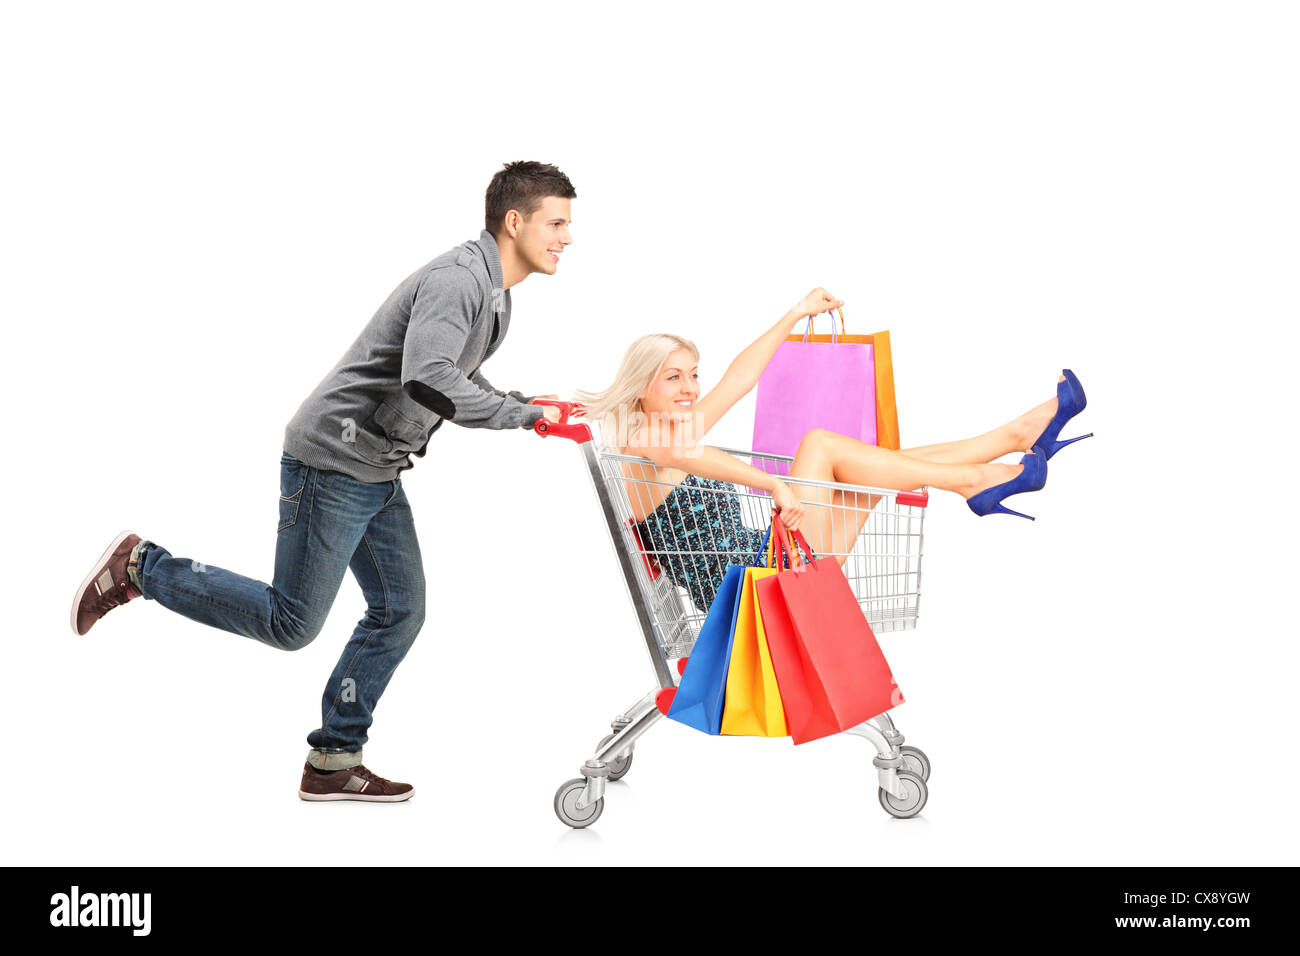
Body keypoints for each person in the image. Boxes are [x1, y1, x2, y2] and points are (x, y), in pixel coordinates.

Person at [70, 161, 578, 801]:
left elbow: (451, 376)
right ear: (515, 221)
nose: (566, 237)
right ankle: (143, 568)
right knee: (292, 623)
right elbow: (428, 380)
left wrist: (529, 403)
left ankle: (334, 760)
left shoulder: (495, 295)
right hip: (334, 460)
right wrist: (526, 417)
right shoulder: (458, 282)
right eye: (556, 222)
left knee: (400, 611)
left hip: (376, 464)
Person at [575, 288, 1091, 614]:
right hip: (752, 597)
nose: (689, 388)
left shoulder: (675, 429)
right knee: (821, 444)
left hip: (775, 564)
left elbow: (739, 379)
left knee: (881, 466)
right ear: (643, 385)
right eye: (673, 377)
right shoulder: (639, 442)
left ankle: (1012, 440)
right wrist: (774, 483)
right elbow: (690, 459)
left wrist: (794, 313)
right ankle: (983, 473)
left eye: (692, 375)